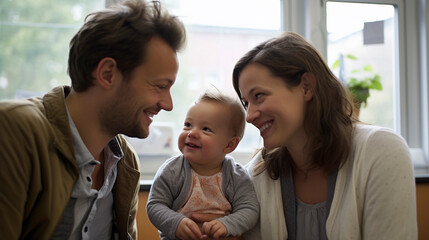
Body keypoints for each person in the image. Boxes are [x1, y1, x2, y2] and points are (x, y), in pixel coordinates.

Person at [0, 0, 186, 239]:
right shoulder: (15, 131)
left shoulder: (125, 162)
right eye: (160, 86)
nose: (168, 104)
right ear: (108, 74)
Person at [231, 31, 418, 239]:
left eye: (259, 96)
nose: (249, 116)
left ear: (306, 87)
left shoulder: (381, 152)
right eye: (246, 103)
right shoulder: (256, 177)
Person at [146, 89, 260, 240]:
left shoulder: (236, 176)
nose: (191, 133)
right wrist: (176, 222)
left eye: (206, 129)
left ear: (229, 145)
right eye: (188, 125)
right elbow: (154, 205)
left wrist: (227, 224)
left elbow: (249, 210)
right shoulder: (172, 171)